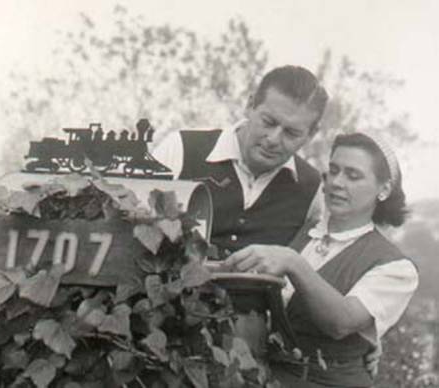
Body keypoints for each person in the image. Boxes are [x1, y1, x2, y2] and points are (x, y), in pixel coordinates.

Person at [223, 132, 419, 387]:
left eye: (353, 175)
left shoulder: (396, 268)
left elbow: (341, 322)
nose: (337, 182)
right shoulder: (306, 231)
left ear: (383, 189)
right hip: (269, 377)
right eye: (334, 170)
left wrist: (294, 263)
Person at [152, 65, 329, 257]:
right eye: (268, 122)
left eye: (292, 133)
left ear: (311, 134)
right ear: (250, 105)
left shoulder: (312, 189)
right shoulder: (180, 149)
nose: (273, 139)